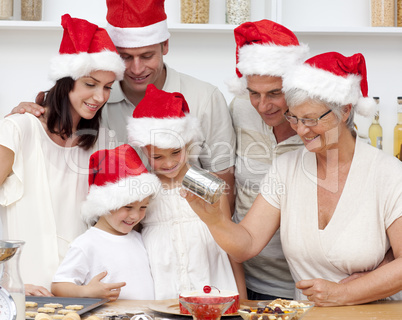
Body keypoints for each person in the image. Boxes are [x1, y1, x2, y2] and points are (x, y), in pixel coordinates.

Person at [182, 51, 402, 306]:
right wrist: (215, 220)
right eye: (295, 118)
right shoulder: (286, 168)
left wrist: (344, 294)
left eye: (310, 119)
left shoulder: (388, 172)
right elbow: (247, 244)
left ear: (344, 111)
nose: (301, 130)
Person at [11, 0, 237, 212]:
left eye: (147, 55)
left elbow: (223, 185)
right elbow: (57, 150)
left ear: (165, 45)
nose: (136, 69)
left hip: (188, 231)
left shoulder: (205, 98)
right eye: (125, 57)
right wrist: (25, 119)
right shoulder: (94, 104)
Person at [0, 14, 125, 295]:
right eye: (90, 84)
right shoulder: (19, 129)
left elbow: (107, 223)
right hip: (24, 291)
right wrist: (6, 282)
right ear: (65, 81)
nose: (100, 97)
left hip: (81, 291)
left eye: (107, 87)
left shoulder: (101, 141)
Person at [126, 84, 246, 299]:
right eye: (158, 156)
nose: (169, 163)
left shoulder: (209, 183)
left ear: (188, 143)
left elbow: (230, 243)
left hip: (213, 280)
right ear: (143, 149)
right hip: (164, 284)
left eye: (175, 152)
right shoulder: (143, 190)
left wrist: (243, 300)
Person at [226, 19, 308, 300]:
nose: (263, 106)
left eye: (275, 93)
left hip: (306, 282)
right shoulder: (238, 110)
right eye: (254, 94)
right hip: (248, 277)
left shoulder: (320, 121)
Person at [51, 144, 160, 301]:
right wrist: (87, 291)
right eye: (128, 207)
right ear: (105, 205)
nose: (135, 215)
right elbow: (58, 286)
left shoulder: (139, 238)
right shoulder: (87, 243)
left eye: (143, 207)